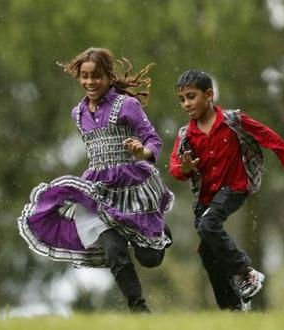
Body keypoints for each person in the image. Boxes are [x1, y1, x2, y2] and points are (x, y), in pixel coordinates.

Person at [17, 47, 174, 313]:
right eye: (84, 76)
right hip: (99, 191)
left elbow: (153, 140)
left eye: (96, 76)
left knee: (150, 258)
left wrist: (142, 152)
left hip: (133, 187)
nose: (90, 82)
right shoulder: (77, 113)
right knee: (114, 250)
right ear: (78, 77)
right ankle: (139, 308)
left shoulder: (128, 106)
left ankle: (159, 231)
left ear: (109, 76)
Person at [169, 69, 284, 311]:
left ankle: (246, 272)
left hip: (235, 187)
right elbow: (175, 169)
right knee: (208, 254)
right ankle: (233, 309)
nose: (186, 104)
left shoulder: (234, 120)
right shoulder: (186, 135)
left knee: (207, 226)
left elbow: (268, 136)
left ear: (208, 95)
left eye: (191, 96)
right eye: (182, 99)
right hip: (205, 198)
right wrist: (186, 168)